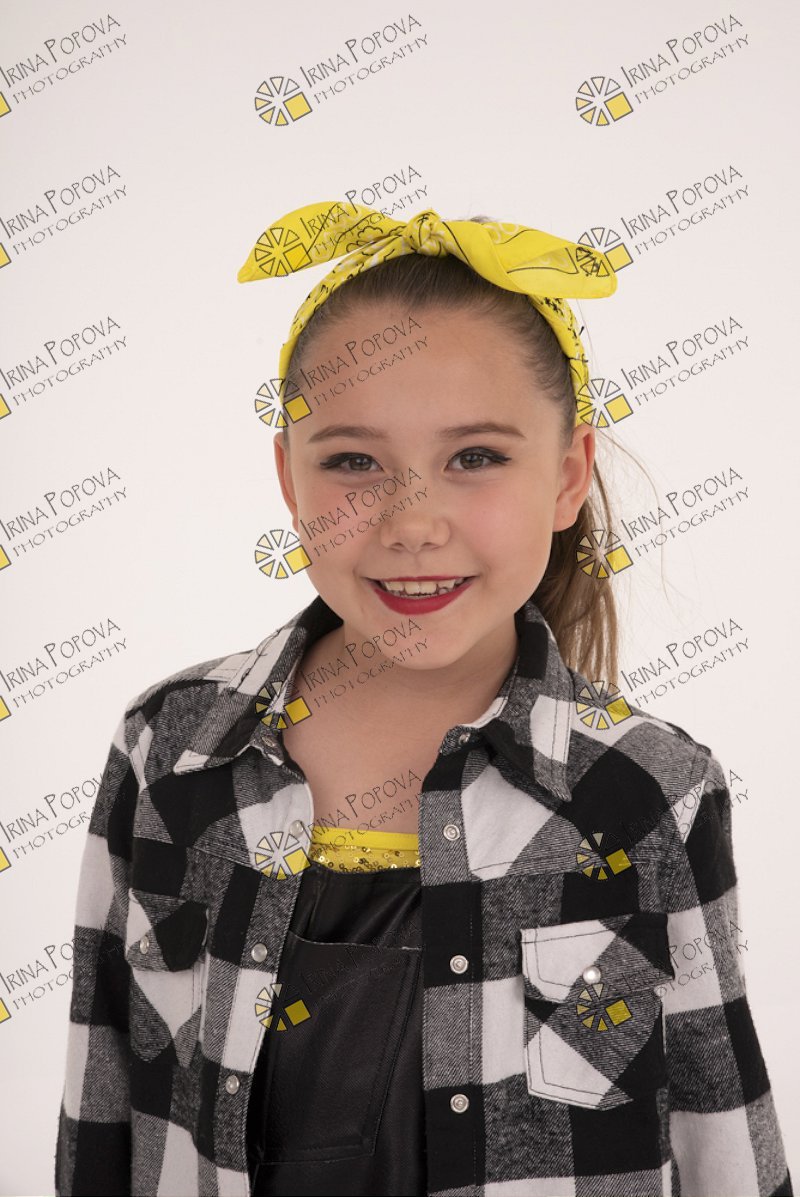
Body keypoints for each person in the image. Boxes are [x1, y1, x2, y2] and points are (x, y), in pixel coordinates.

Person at [54, 200, 793, 1197]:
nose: (411, 523)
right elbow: (100, 1103)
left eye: (474, 458)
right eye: (353, 461)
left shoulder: (649, 791)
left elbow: (721, 1137)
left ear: (567, 475)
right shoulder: (172, 751)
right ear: (289, 479)